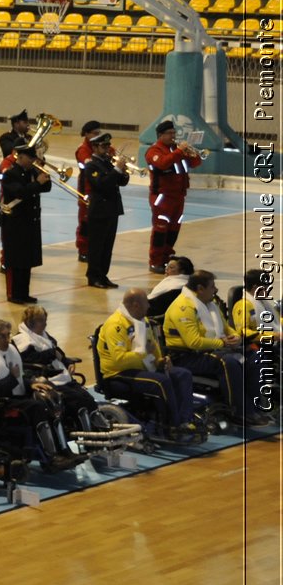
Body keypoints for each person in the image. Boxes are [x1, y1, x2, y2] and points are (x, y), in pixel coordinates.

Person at [0, 319, 81, 470]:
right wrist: (12, 378)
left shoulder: (9, 351)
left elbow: (20, 377)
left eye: (8, 335)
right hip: (1, 403)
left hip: (15, 397)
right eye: (3, 336)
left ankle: (64, 450)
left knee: (51, 399)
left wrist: (30, 383)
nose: (7, 340)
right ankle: (50, 458)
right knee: (37, 407)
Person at [164, 270, 264, 425]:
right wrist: (223, 343)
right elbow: (194, 342)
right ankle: (240, 411)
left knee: (253, 356)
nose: (216, 289)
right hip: (187, 356)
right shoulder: (182, 308)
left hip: (211, 350)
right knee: (228, 362)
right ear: (200, 289)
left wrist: (235, 337)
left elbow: (226, 328)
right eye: (212, 286)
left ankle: (255, 407)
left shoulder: (211, 304)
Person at [96, 288, 198, 437]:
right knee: (160, 381)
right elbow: (119, 359)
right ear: (136, 305)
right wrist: (143, 353)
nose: (149, 306)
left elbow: (153, 347)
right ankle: (172, 425)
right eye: (146, 303)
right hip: (118, 373)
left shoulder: (143, 322)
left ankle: (185, 420)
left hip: (143, 367)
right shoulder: (115, 325)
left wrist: (161, 361)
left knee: (182, 374)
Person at [13, 304, 101, 432]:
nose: (45, 324)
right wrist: (52, 353)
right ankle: (87, 429)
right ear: (30, 322)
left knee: (87, 397)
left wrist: (67, 362)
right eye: (41, 320)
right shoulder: (21, 340)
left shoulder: (44, 335)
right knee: (79, 400)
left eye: (45, 320)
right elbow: (33, 359)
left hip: (60, 376)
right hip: (46, 379)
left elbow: (58, 352)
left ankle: (95, 425)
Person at [145, 120, 203, 273]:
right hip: (162, 197)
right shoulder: (154, 151)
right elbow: (163, 163)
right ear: (160, 135)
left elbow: (195, 163)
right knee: (160, 230)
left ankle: (167, 259)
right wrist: (178, 151)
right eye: (169, 133)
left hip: (179, 196)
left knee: (173, 229)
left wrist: (194, 152)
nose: (173, 136)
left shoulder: (177, 149)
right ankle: (155, 262)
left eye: (173, 133)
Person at [78, 131, 131, 289]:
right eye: (103, 145)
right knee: (97, 246)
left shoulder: (108, 162)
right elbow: (101, 184)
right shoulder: (91, 165)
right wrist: (116, 170)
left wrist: (124, 170)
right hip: (99, 210)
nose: (107, 148)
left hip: (112, 209)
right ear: (94, 147)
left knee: (108, 246)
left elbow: (121, 182)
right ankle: (93, 276)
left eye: (108, 145)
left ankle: (103, 275)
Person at [0, 144, 50, 304]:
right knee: (15, 261)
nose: (33, 161)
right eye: (30, 158)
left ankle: (24, 293)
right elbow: (20, 192)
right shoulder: (10, 174)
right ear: (20, 157)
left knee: (26, 260)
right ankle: (14, 294)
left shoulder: (32, 172)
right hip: (15, 223)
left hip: (29, 222)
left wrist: (42, 173)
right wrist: (37, 183)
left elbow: (46, 187)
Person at [232, 269, 279, 416]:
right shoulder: (244, 305)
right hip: (256, 345)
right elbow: (244, 332)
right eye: (266, 287)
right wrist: (273, 336)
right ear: (255, 288)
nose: (268, 290)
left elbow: (276, 323)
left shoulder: (264, 303)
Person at [73, 120, 103, 261]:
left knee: (97, 222)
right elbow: (90, 166)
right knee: (85, 222)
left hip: (99, 189)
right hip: (86, 189)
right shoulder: (83, 150)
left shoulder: (102, 146)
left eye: (99, 133)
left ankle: (94, 248)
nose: (98, 136)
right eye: (95, 133)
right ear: (87, 134)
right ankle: (83, 250)